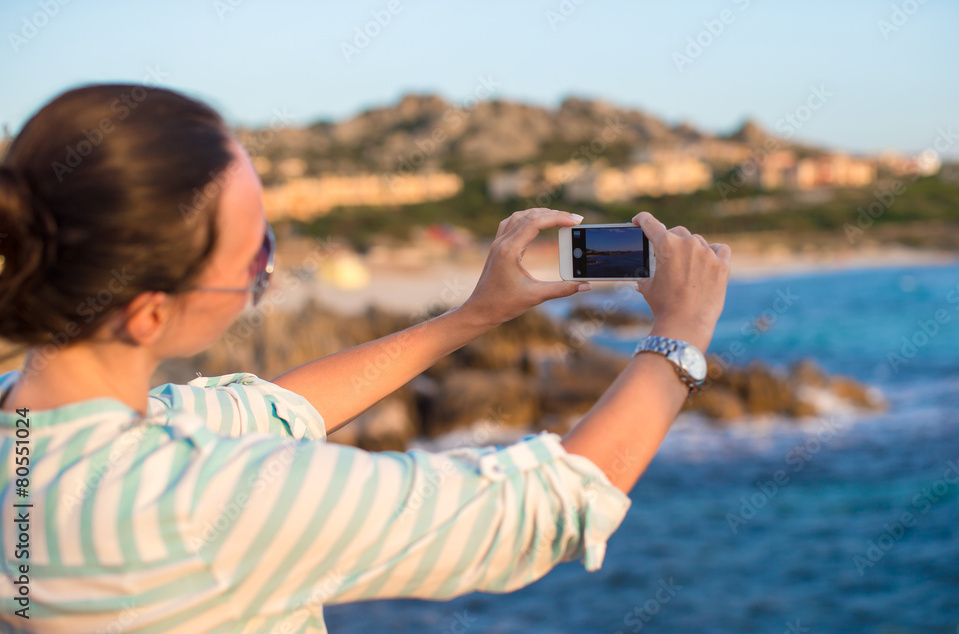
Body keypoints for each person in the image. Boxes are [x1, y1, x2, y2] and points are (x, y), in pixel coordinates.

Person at [0, 84, 730, 632]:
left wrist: (473, 317)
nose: (269, 275)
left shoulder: (36, 435)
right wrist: (682, 335)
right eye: (256, 254)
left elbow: (275, 411)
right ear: (151, 310)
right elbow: (540, 512)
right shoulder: (196, 505)